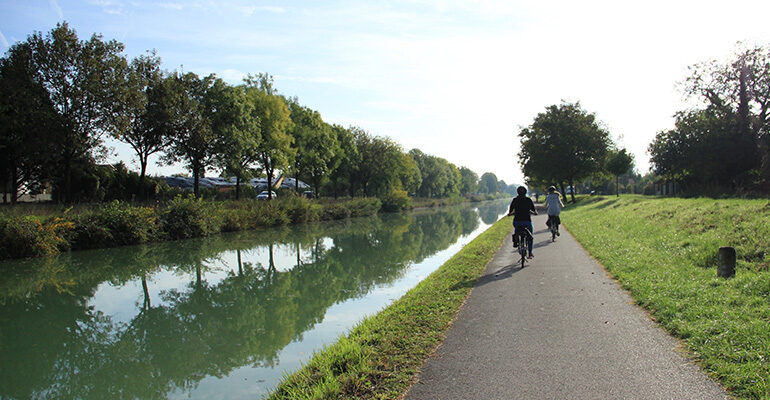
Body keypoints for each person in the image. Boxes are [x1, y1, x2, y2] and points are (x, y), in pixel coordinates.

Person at [507, 186, 537, 259]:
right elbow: (534, 210)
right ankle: (530, 253)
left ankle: (516, 240)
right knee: (530, 237)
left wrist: (510, 214)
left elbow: (511, 211)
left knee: (517, 229)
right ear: (525, 192)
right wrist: (535, 212)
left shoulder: (515, 200)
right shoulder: (528, 200)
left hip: (517, 221)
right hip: (527, 221)